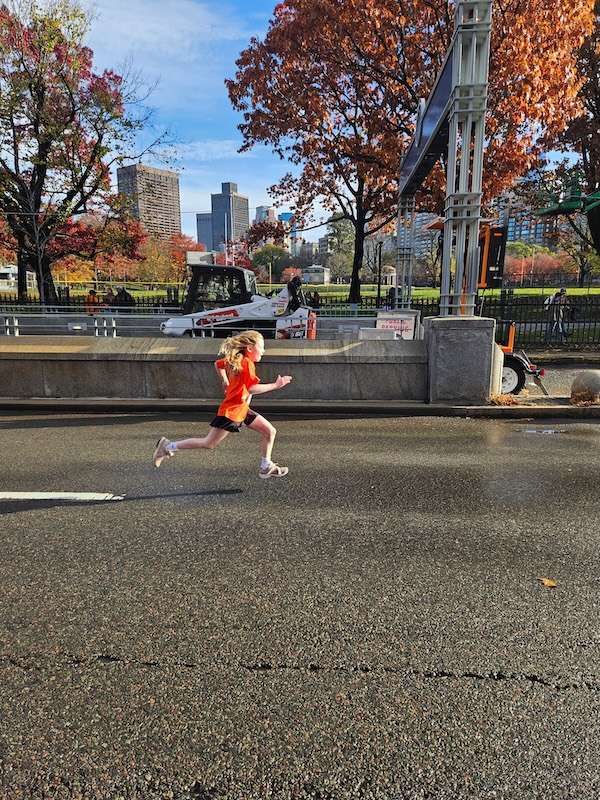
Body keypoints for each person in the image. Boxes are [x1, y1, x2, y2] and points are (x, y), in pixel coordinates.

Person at [152, 330, 293, 479]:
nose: (264, 351)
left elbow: (218, 364)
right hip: (233, 411)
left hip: (242, 409)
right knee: (209, 443)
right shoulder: (246, 363)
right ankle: (167, 447)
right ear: (250, 348)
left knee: (269, 431)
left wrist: (225, 380)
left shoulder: (237, 359)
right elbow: (252, 388)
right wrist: (276, 385)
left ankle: (266, 466)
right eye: (261, 347)